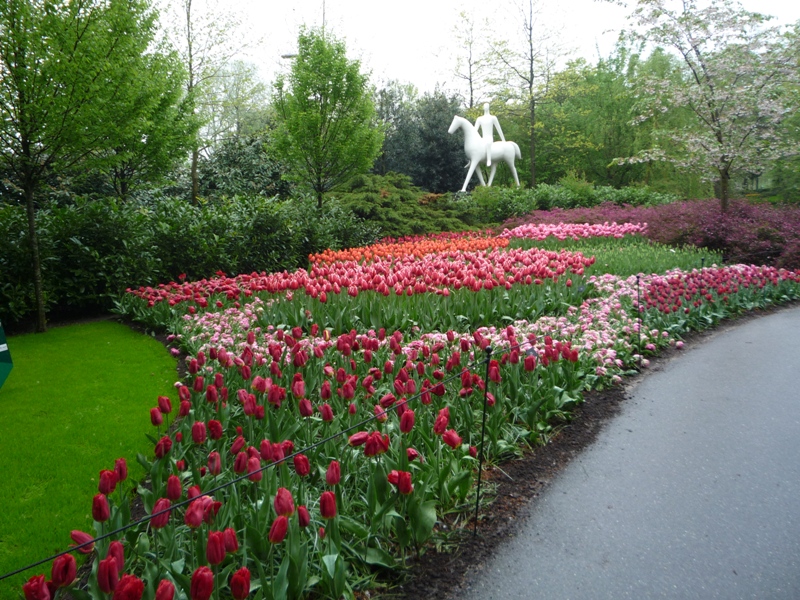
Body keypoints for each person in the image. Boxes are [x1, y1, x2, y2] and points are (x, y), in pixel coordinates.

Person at [474, 103, 505, 167]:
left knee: (488, 143)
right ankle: (471, 160)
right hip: (483, 138)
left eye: (487, 106)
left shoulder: (493, 118)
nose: (485, 107)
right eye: (484, 106)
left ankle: (489, 159)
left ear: (489, 107)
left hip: (489, 138)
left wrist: (503, 140)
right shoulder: (479, 119)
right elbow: (474, 131)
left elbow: (499, 129)